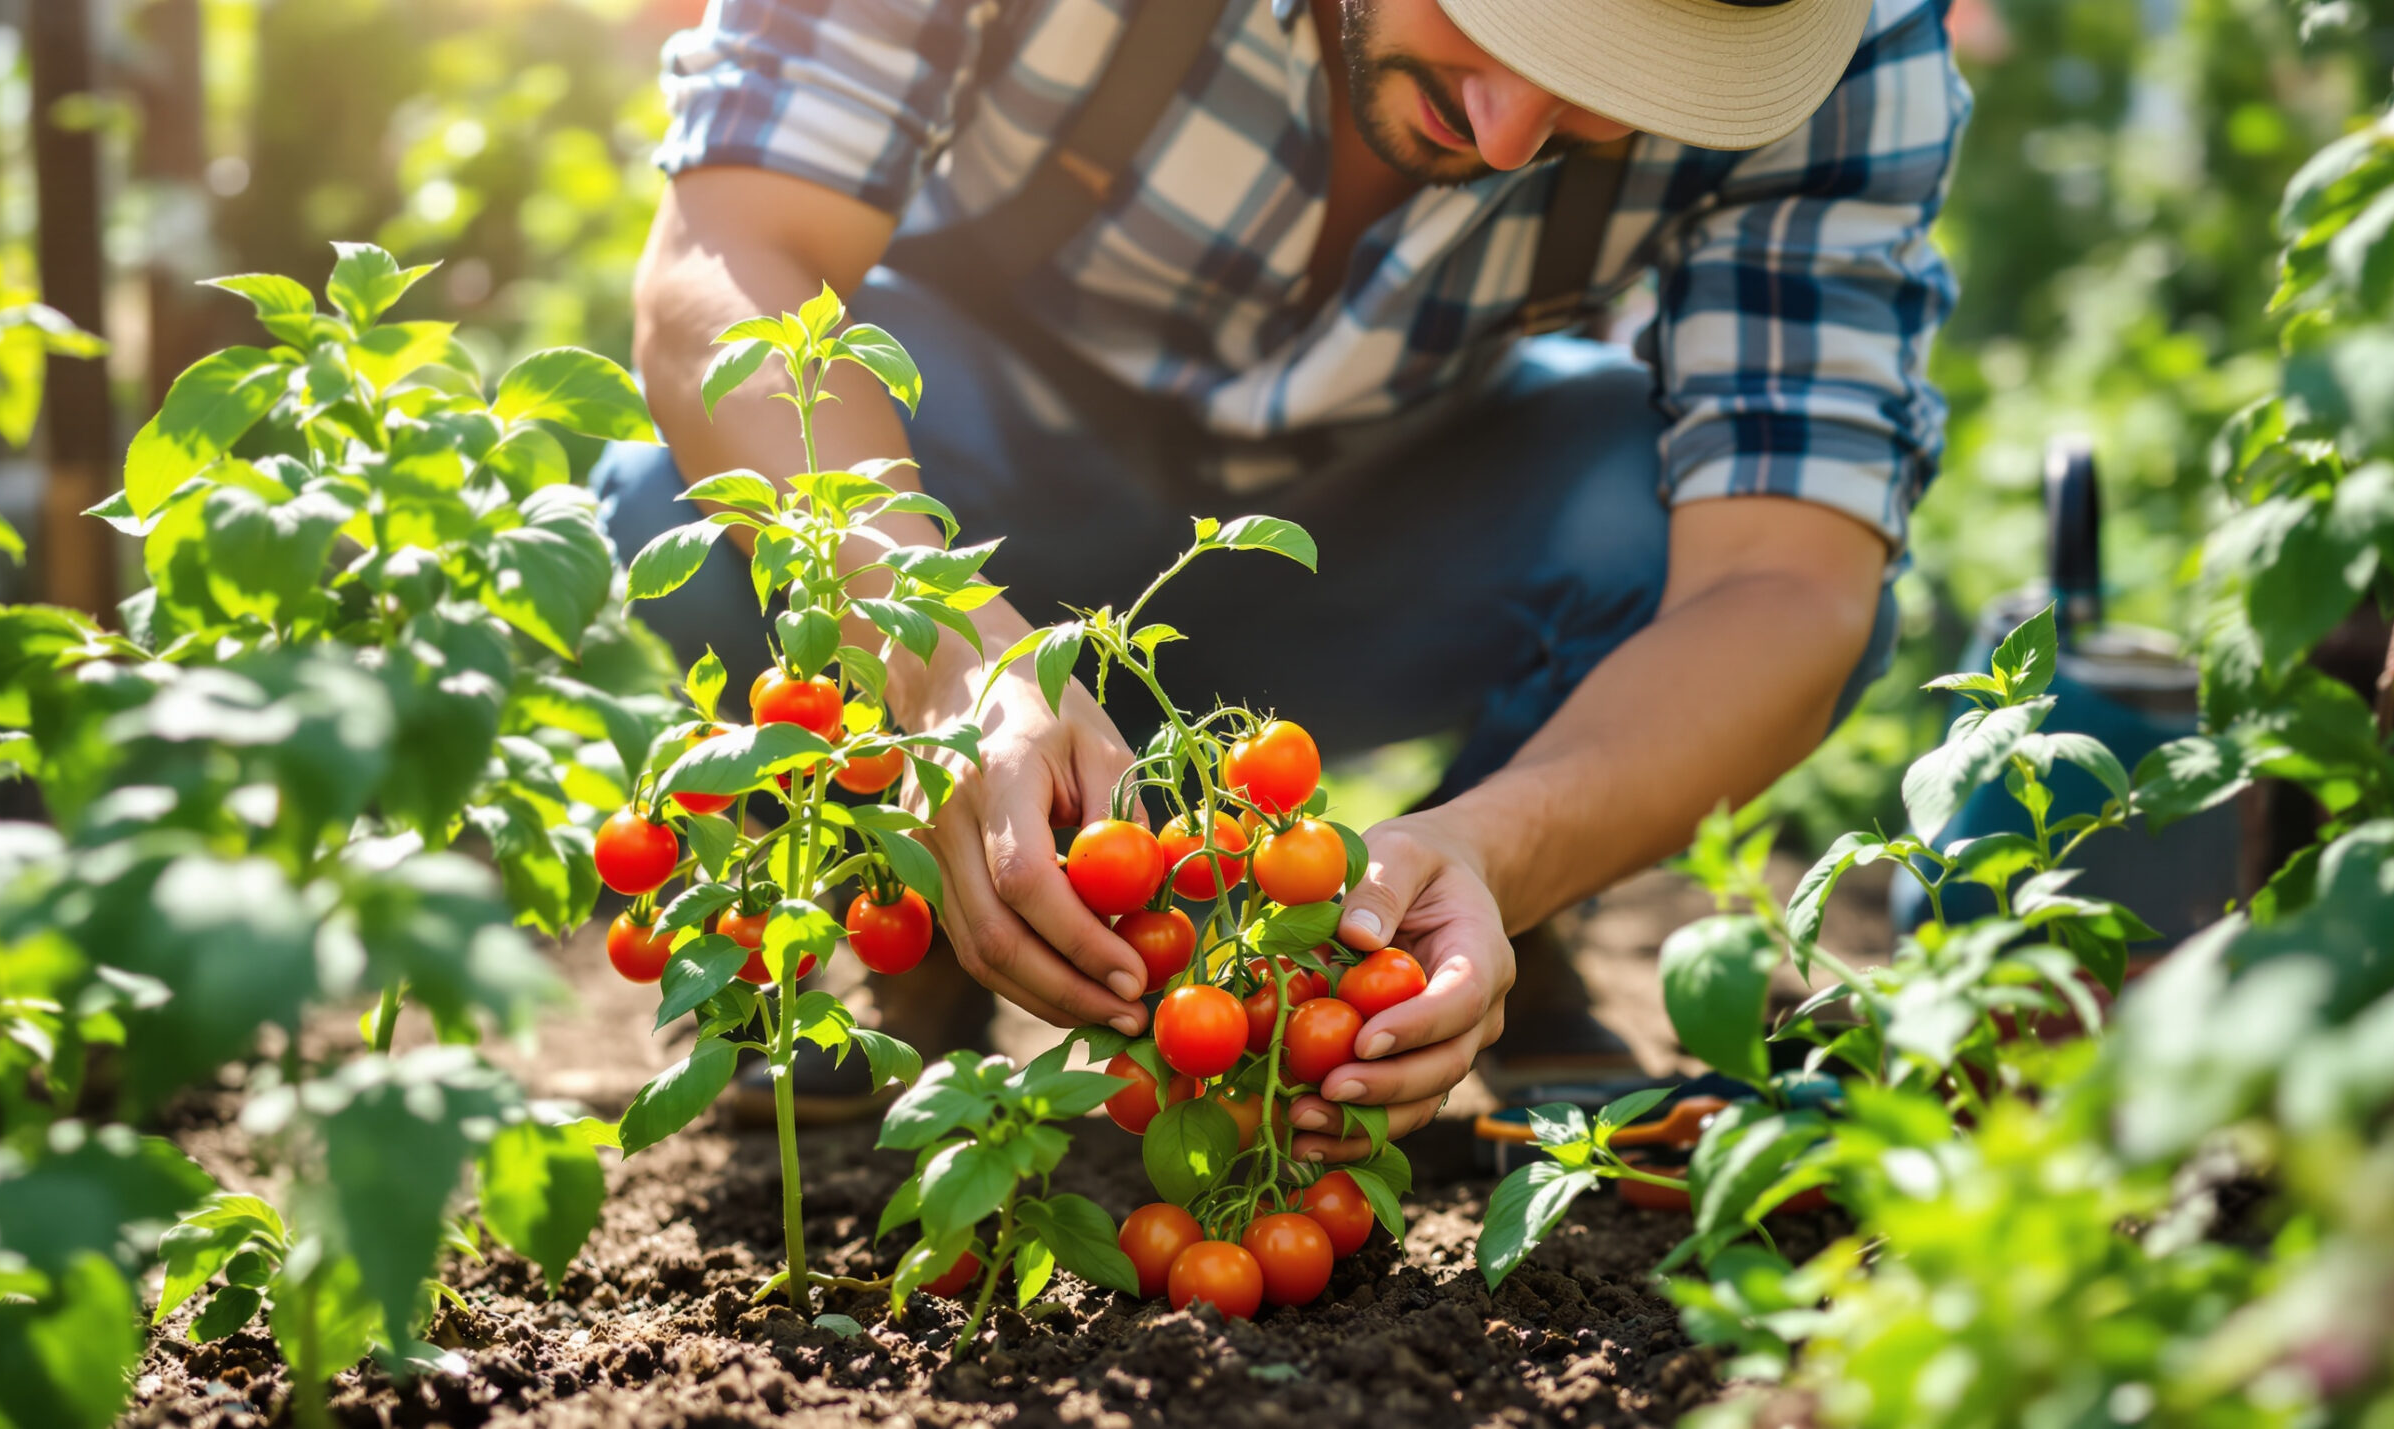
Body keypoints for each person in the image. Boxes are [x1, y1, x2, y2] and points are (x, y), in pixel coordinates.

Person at [597, 0, 1969, 1158]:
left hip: (1379, 535)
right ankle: (915, 910)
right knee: (690, 500)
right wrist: (940, 637)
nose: (1507, 141)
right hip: (977, 484)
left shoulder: (1845, 45)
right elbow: (731, 260)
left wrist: (1502, 844)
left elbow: (1787, 584)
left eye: (1621, 91)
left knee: (1654, 523)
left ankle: (1461, 917)